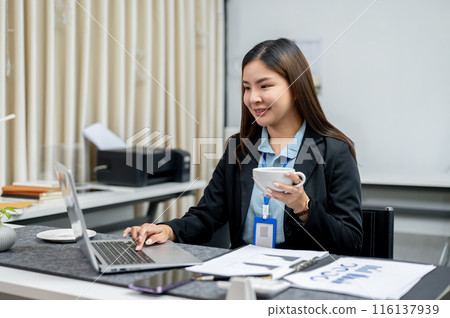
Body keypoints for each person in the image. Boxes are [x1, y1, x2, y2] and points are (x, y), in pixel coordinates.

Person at [123, 38, 363, 256]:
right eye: (247, 87)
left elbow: (350, 242)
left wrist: (304, 207)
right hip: (242, 272)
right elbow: (208, 215)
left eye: (264, 86)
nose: (252, 98)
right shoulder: (239, 148)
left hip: (304, 278)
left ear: (296, 88)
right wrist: (167, 229)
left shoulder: (334, 150)